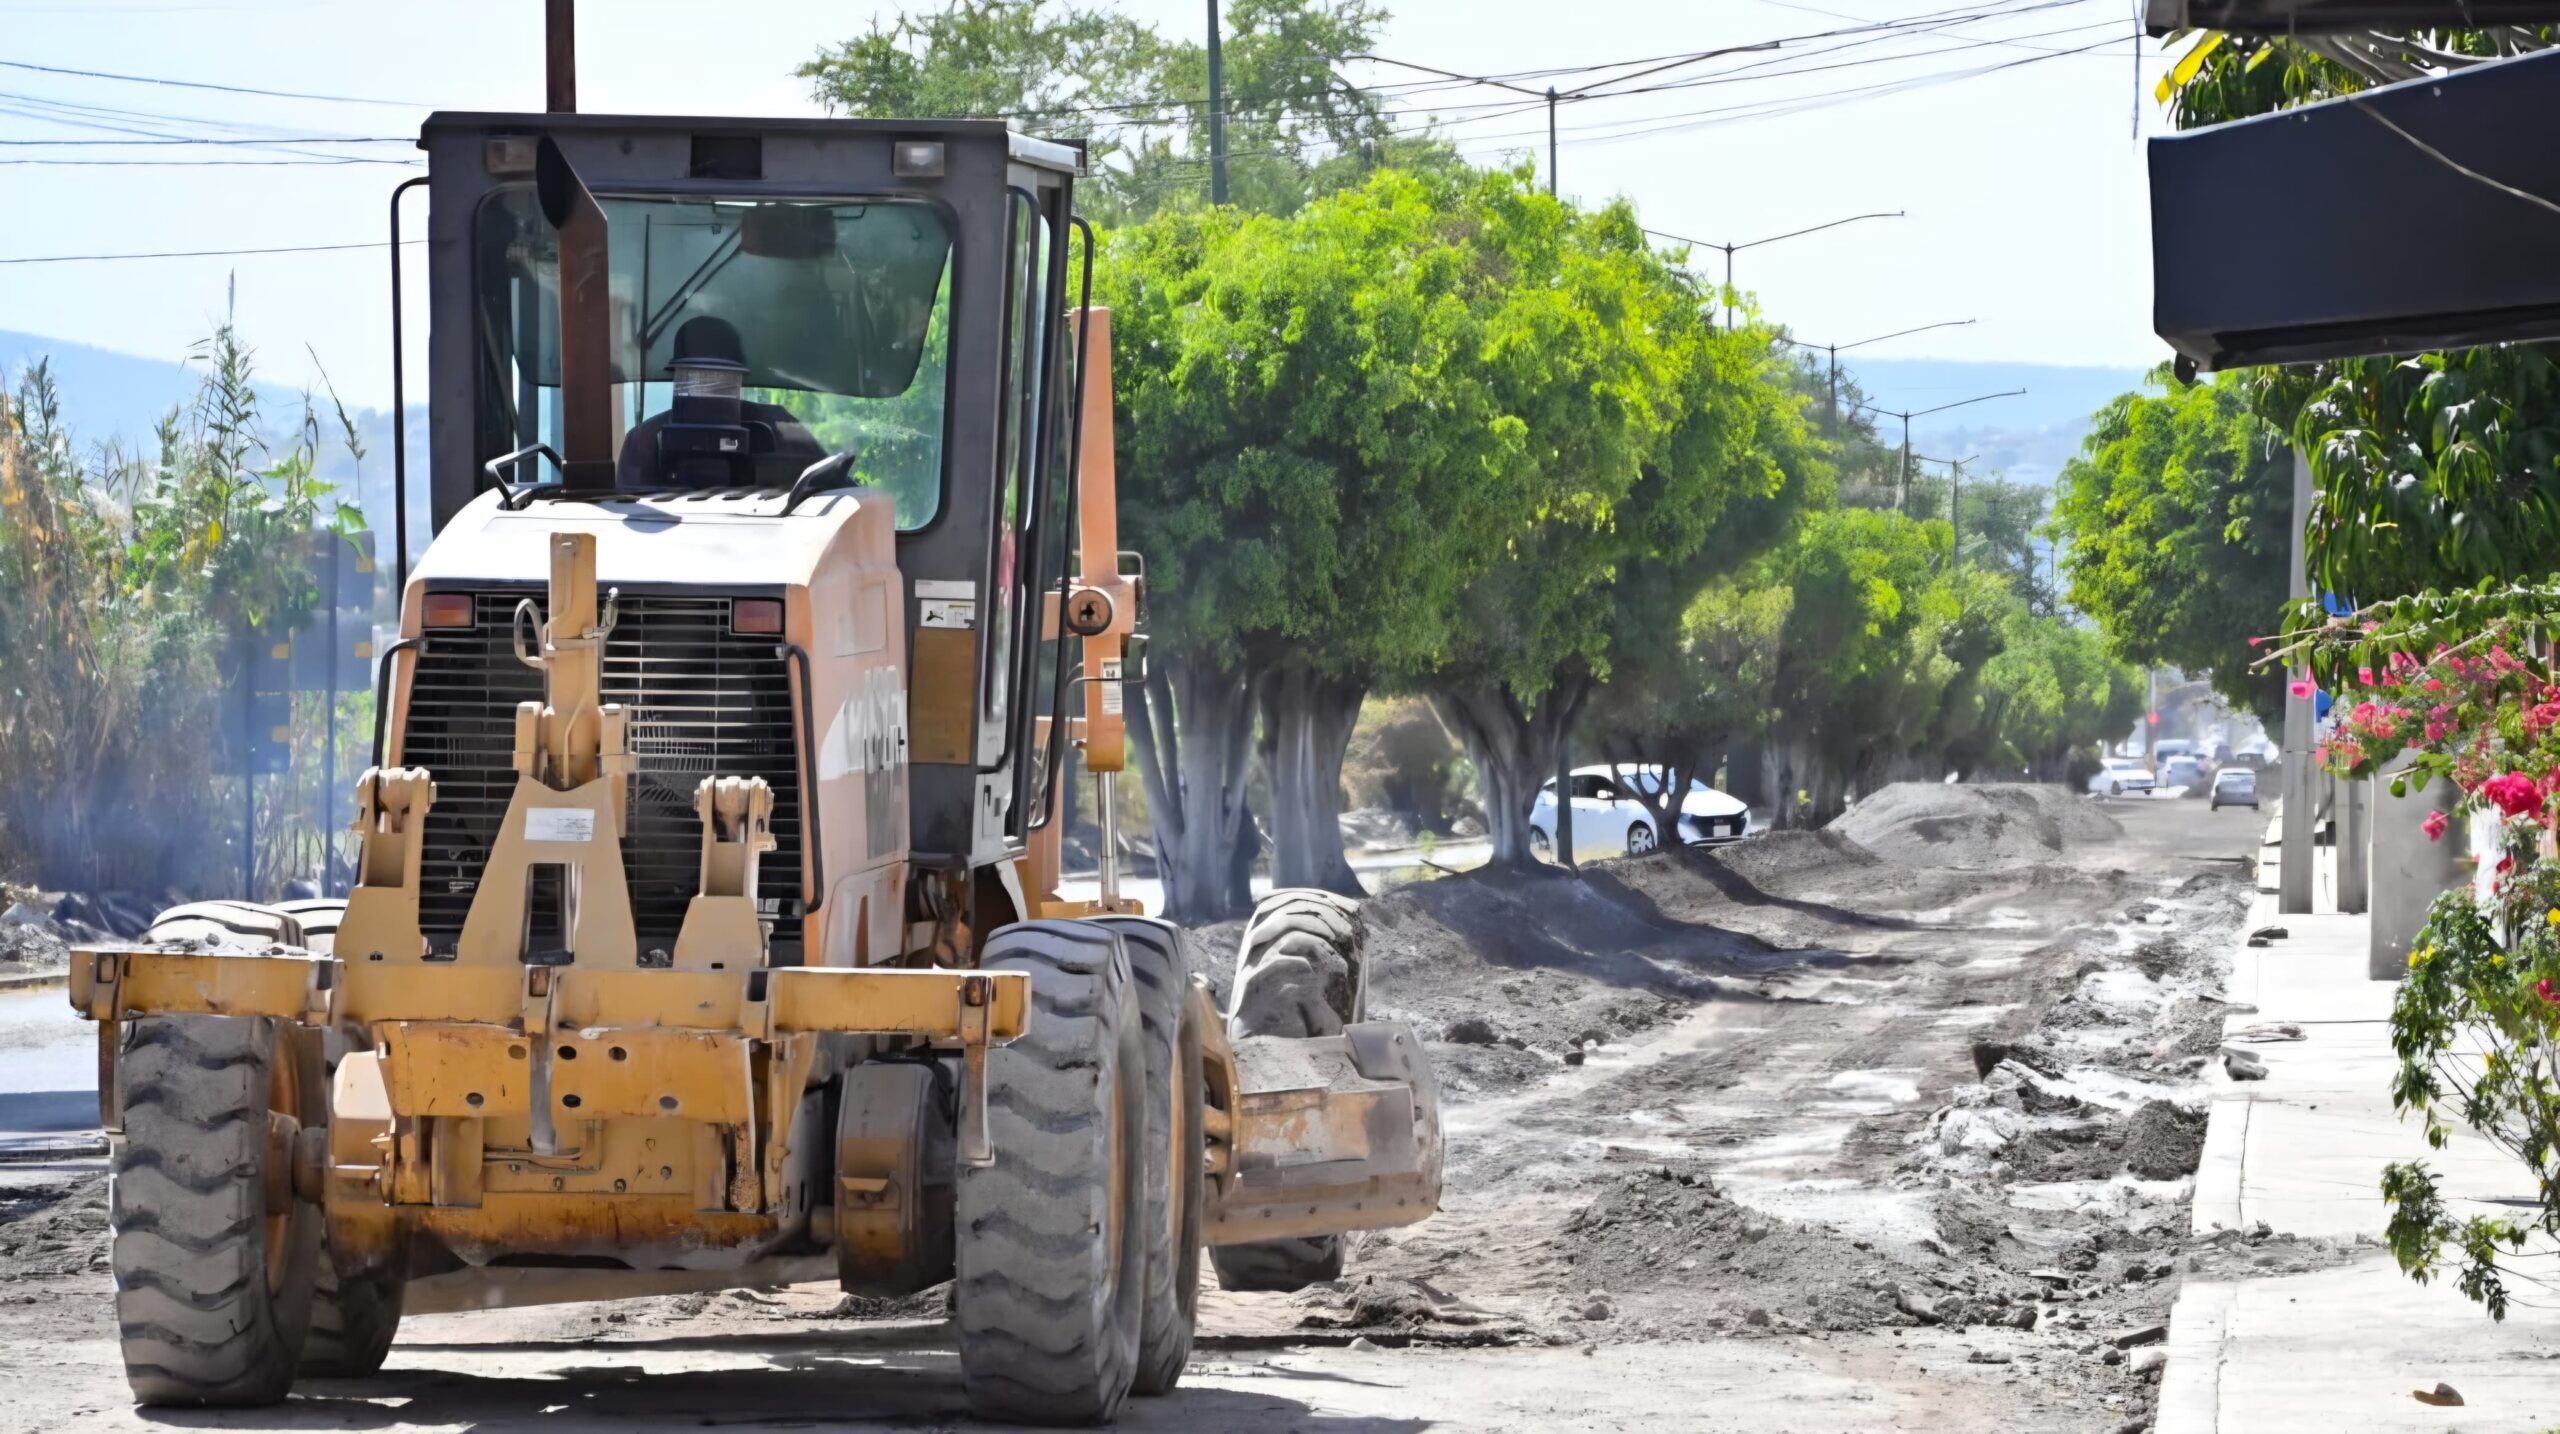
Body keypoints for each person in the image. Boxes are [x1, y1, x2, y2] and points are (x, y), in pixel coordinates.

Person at [616, 315, 827, 490]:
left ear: (740, 378)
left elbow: (832, 487)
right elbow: (630, 508)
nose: (709, 386)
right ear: (676, 376)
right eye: (696, 377)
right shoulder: (644, 440)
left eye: (721, 377)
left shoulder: (779, 428)